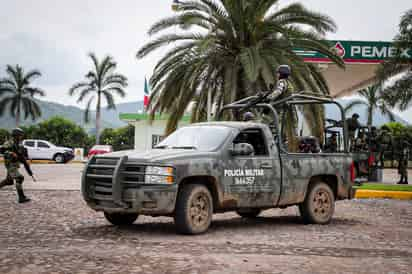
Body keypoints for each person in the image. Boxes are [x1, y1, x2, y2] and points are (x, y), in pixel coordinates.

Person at [0, 128, 31, 203]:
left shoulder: (19, 144)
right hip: (10, 164)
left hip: (15, 164)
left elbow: (22, 156)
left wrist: (27, 165)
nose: (21, 137)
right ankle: (21, 197)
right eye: (20, 135)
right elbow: (2, 150)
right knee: (19, 178)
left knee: (9, 181)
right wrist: (11, 153)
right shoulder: (9, 143)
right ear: (16, 135)